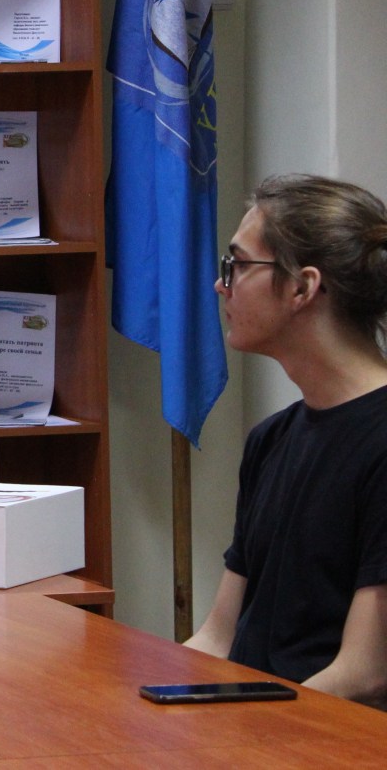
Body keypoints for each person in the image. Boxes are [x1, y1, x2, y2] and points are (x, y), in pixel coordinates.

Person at [185, 174, 387, 708]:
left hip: (327, 736)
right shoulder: (270, 439)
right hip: (259, 724)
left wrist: (247, 732)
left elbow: (365, 674)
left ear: (302, 287)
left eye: (237, 265)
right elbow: (218, 638)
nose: (221, 285)